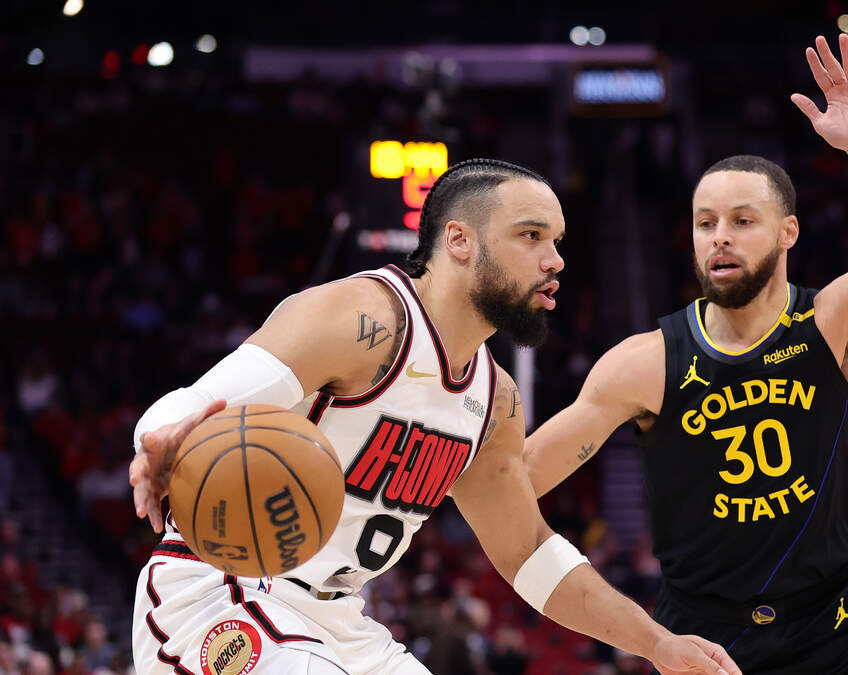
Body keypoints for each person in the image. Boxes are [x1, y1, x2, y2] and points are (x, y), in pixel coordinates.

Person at [128, 159, 740, 675]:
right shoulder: (362, 319)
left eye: (558, 242)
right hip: (222, 592)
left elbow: (529, 552)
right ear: (459, 241)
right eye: (531, 236)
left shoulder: (494, 402)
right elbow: (198, 401)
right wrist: (157, 441)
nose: (555, 260)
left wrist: (658, 644)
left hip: (337, 621)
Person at [524, 34, 848, 673]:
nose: (720, 238)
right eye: (706, 223)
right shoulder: (645, 363)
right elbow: (518, 480)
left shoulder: (835, 320)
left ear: (788, 232)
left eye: (742, 221)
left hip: (839, 631)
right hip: (705, 644)